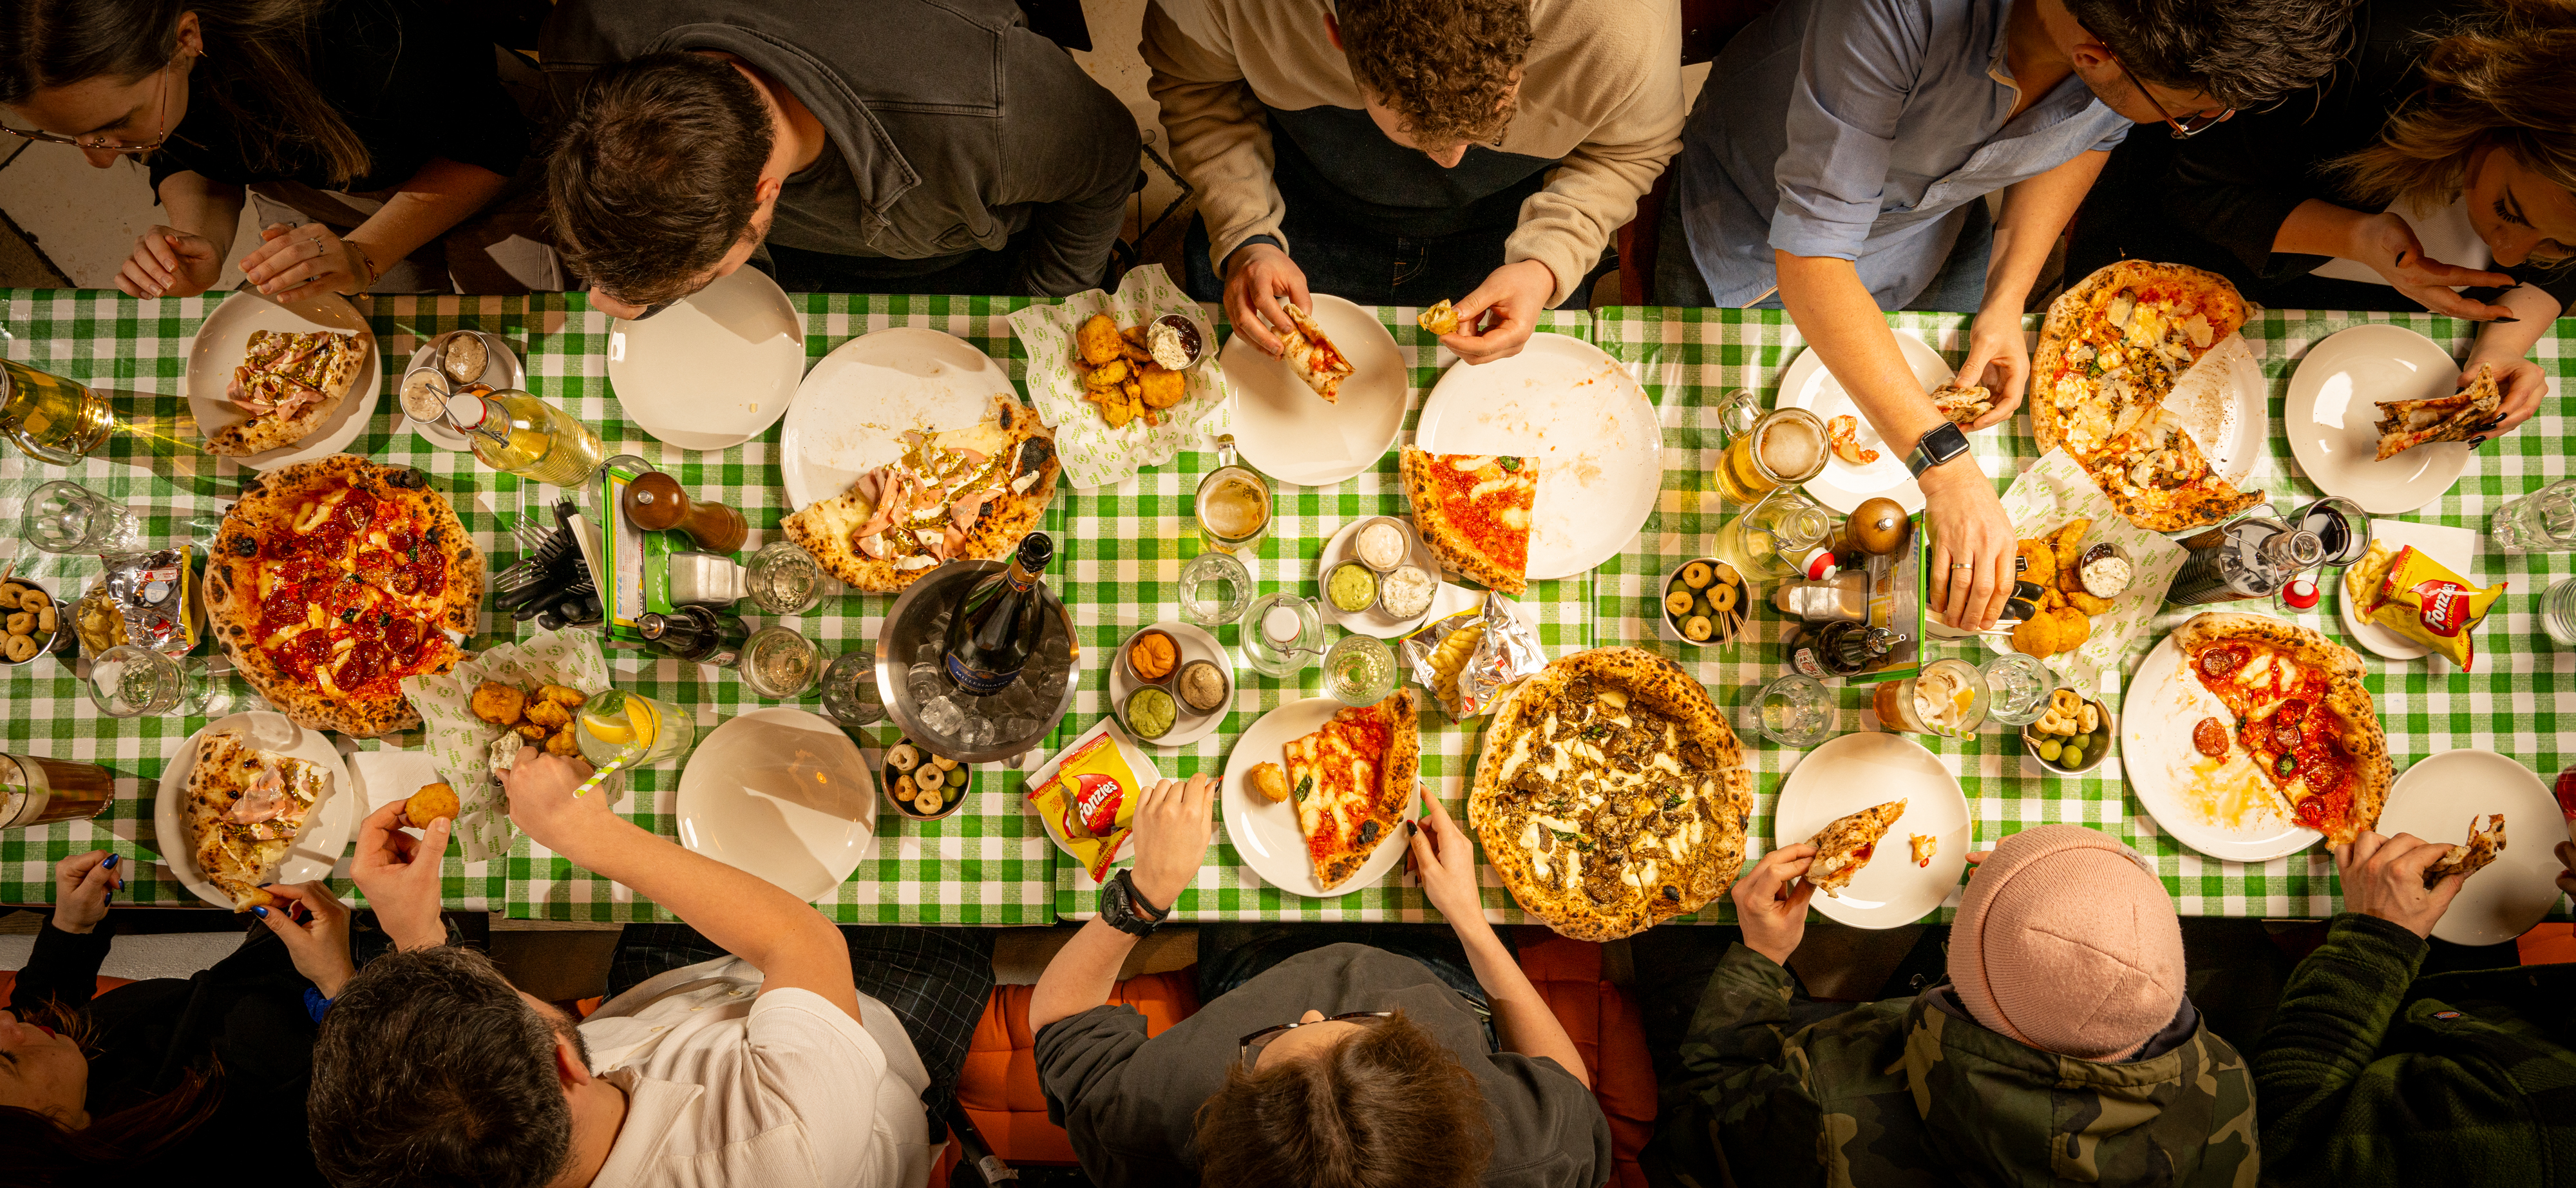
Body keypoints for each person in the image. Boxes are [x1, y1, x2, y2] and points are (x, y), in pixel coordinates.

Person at [1660, 0, 2350, 632]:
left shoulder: (2128, 34)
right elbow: (1811, 261)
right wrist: (1945, 466)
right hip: (1755, 236)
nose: (2206, 124)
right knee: (1736, 488)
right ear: (2094, 56)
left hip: (1925, 229)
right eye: (2191, 116)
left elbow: (2089, 134)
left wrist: (2007, 296)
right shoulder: (1895, 12)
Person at [305, 751, 994, 1188]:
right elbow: (803, 943)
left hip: (668, 1004)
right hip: (877, 1028)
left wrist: (417, 935)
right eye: (511, 996)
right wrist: (589, 835)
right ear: (563, 1062)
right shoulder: (784, 1149)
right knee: (957, 877)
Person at [1032, 775, 1610, 1187]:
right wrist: (1469, 920)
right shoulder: (1532, 1156)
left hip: (1252, 962)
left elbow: (1059, 1019)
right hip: (1453, 969)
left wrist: (1145, 895)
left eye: (1263, 1047)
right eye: (1367, 1025)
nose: (1314, 1013)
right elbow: (1568, 1084)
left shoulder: (1147, 1141)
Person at [2069, 0, 2575, 447]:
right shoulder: (2355, 56)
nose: (2512, 256)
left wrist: (2503, 344)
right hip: (2212, 268)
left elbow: (2556, 274)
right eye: (2510, 210)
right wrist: (2355, 236)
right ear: (2495, 116)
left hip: (2385, 317)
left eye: (2558, 243)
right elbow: (2193, 190)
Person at [1649, 825, 2258, 1185]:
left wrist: (1761, 957)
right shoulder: (2228, 1086)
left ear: (1961, 977)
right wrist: (2028, 902)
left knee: (1682, 949)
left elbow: (1695, 1131)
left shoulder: (1823, 1111)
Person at [1146, 0, 1682, 364]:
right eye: (1413, 131)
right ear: (1335, 32)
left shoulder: (1624, 21)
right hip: (1293, 199)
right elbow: (1197, 89)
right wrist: (1246, 235)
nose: (1449, 164)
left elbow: (1632, 148)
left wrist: (1547, 262)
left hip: (1514, 225)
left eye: (1484, 129)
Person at [538, 0, 1139, 316]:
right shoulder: (581, 46)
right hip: (800, 264)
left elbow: (1112, 156)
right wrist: (635, 288)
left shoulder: (991, 116)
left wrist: (1043, 305)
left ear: (764, 193)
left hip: (962, 257)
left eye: (708, 277)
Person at [0, 0, 555, 302]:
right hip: (332, 187)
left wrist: (364, 255)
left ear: (186, 37)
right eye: (76, 138)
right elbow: (195, 153)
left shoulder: (365, 34)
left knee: (512, 332)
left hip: (487, 163)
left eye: (118, 126)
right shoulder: (152, 70)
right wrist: (201, 238)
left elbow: (492, 146)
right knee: (352, 355)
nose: (100, 159)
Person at [2, 850, 355, 1184]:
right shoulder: (240, 1153)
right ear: (43, 1143)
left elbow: (38, 1007)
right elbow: (379, 1103)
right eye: (5, 1059)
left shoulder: (44, 1063)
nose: (5, 1022)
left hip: (275, 957)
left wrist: (72, 926)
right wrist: (341, 985)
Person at [2251, 831, 2576, 1187]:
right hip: (2478, 1005)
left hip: (2346, 1057)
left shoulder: (2521, 1140)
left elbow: (2285, 1140)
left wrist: (2376, 937)